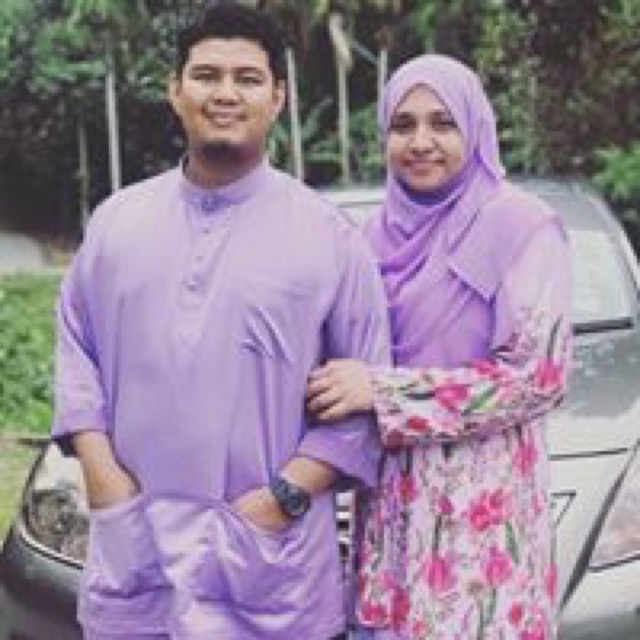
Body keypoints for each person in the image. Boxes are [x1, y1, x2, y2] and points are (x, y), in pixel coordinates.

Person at [51, 3, 390, 639]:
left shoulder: (329, 238)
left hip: (268, 574)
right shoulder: (117, 222)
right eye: (206, 75)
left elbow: (367, 392)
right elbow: (76, 348)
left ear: (278, 97)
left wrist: (283, 498)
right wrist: (100, 472)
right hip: (138, 554)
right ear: (175, 90)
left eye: (247, 78)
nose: (226, 93)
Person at [306, 54, 572, 640]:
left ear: (474, 129)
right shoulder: (368, 242)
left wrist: (385, 392)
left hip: (483, 536)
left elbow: (539, 376)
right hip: (390, 530)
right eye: (403, 125)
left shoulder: (521, 227)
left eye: (443, 123)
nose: (421, 142)